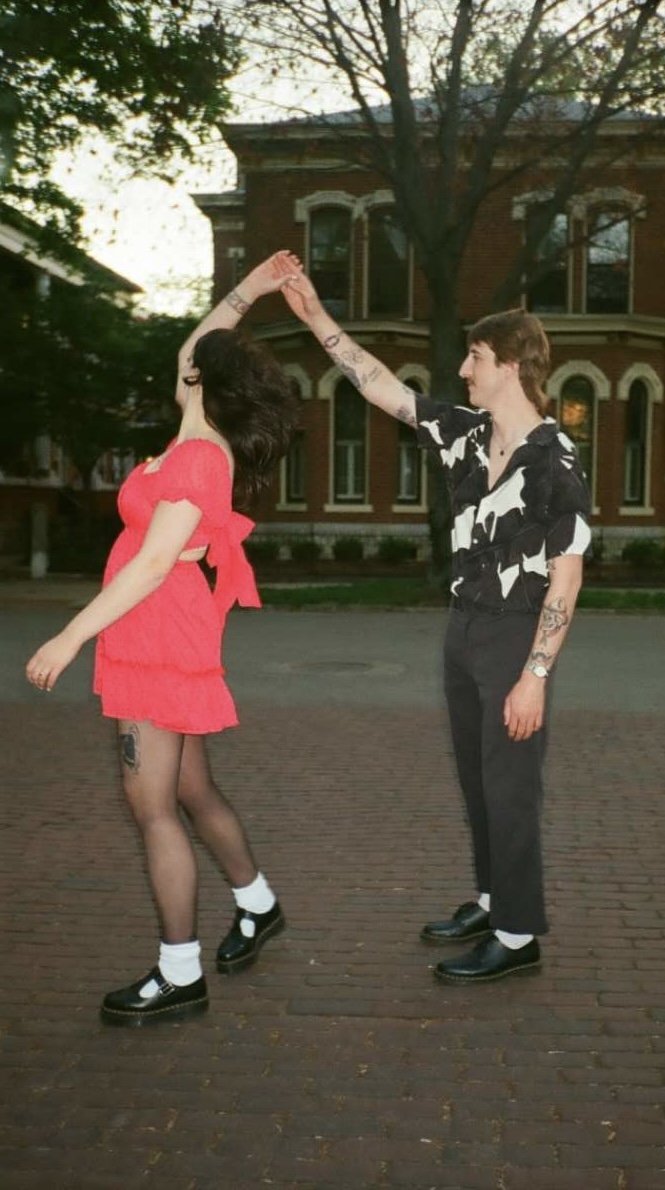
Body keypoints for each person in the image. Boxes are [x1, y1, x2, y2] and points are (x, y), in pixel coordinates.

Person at [279, 260, 591, 983]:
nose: (463, 369)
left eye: (475, 358)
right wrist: (315, 318)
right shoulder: (468, 436)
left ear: (509, 365)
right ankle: (490, 899)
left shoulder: (555, 460)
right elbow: (383, 390)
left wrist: (534, 677)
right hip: (463, 629)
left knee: (511, 788)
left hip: (517, 636)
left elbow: (566, 577)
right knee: (479, 781)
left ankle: (516, 938)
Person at [26, 251, 301, 1024]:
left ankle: (179, 972)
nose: (183, 358)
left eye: (193, 361)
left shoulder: (198, 461)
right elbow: (201, 338)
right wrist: (253, 286)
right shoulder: (191, 439)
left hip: (153, 636)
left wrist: (70, 637)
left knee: (152, 807)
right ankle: (257, 903)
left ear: (200, 381)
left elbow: (151, 564)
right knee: (188, 788)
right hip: (162, 630)